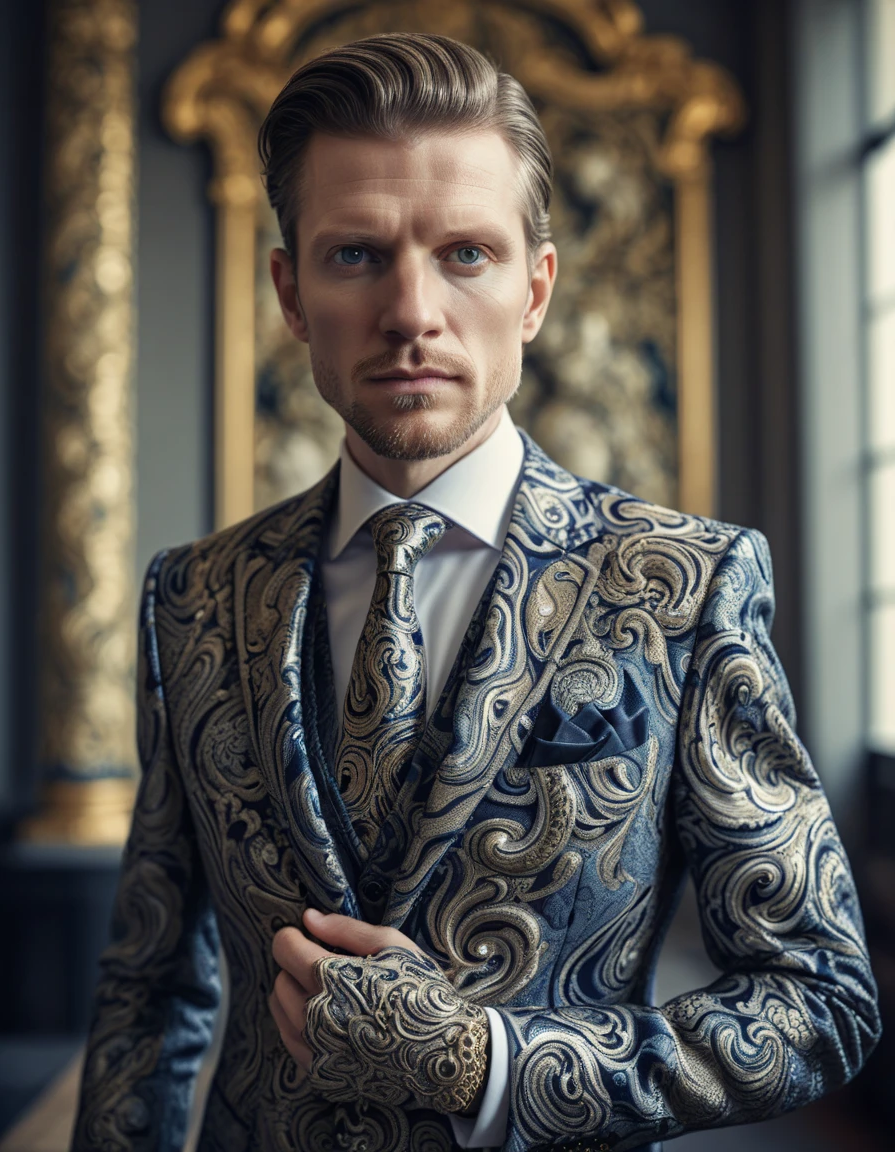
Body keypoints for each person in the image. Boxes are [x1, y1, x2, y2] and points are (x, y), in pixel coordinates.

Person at [71, 32, 880, 1152]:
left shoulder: (683, 590)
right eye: (355, 255)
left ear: (535, 289)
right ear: (290, 291)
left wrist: (483, 1062)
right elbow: (149, 995)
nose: (412, 310)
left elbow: (819, 1002)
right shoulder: (191, 598)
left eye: (463, 254)